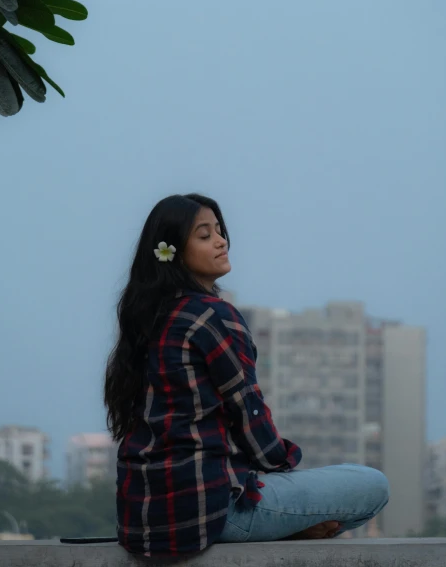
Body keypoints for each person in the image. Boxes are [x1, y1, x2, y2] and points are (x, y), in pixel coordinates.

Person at [104, 193, 389, 557]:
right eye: (204, 236)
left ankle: (289, 526)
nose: (221, 241)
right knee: (370, 485)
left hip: (139, 523)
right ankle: (289, 529)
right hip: (212, 514)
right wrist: (283, 465)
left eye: (220, 231)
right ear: (172, 251)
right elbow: (249, 415)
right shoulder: (212, 315)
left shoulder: (145, 321)